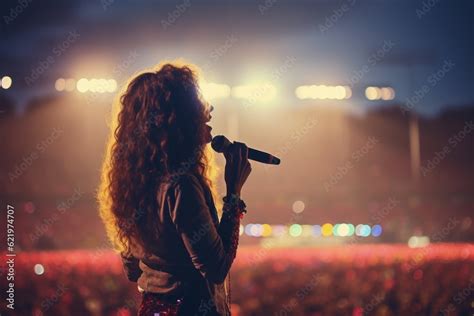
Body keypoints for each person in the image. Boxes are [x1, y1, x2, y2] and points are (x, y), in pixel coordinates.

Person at [97, 62, 252, 315]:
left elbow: (132, 270)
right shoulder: (181, 186)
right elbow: (216, 268)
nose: (209, 111)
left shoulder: (134, 182)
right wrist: (234, 192)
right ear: (180, 118)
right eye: (199, 105)